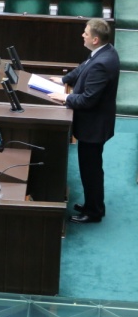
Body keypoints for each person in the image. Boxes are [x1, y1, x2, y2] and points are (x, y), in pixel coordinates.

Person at [47, 18, 120, 224]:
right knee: (90, 167)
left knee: (91, 169)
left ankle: (94, 211)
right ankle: (92, 205)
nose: (82, 35)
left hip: (94, 127)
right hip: (95, 123)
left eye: (86, 33)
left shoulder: (103, 64)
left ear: (95, 39)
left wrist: (66, 97)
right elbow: (83, 68)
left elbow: (88, 99)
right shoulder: (104, 52)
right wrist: (63, 80)